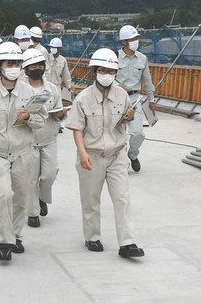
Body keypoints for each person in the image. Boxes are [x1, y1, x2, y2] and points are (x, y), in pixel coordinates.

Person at [64, 48, 145, 259]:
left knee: (122, 198)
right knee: (91, 200)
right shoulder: (83, 98)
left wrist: (128, 117)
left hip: (117, 155)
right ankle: (92, 237)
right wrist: (82, 154)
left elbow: (123, 121)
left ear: (115, 72)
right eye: (102, 70)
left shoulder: (122, 95)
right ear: (95, 71)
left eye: (110, 71)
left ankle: (127, 243)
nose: (106, 74)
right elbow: (77, 129)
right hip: (91, 155)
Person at [0, 42, 47, 262]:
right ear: (0, 65)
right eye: (9, 63)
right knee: (5, 194)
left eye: (16, 63)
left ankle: (16, 235)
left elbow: (41, 121)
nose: (13, 67)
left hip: (24, 152)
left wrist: (29, 117)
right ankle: (5, 241)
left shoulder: (29, 92)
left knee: (21, 197)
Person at [20, 49, 66, 228]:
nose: (37, 68)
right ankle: (33, 213)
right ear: (26, 68)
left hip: (48, 139)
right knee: (31, 178)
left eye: (40, 65)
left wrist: (61, 114)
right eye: (33, 66)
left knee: (48, 175)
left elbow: (59, 113)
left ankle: (42, 198)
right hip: (28, 140)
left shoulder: (52, 89)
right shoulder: (20, 89)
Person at [116, 25, 156, 173]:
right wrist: (116, 85)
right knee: (118, 133)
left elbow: (147, 81)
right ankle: (121, 160)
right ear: (124, 42)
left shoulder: (142, 59)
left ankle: (133, 155)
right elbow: (106, 75)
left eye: (136, 38)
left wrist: (151, 100)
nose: (135, 41)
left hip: (134, 100)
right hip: (116, 100)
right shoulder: (114, 57)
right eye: (132, 39)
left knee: (138, 133)